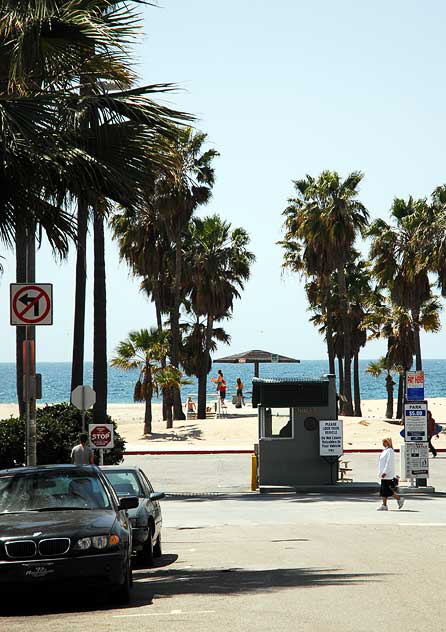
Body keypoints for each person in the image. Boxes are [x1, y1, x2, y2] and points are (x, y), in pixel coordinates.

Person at [377, 437, 404, 511]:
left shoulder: (390, 451)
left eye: (385, 442)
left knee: (386, 490)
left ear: (388, 442)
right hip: (383, 474)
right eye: (383, 442)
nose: (383, 443)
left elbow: (389, 463)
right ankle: (384, 505)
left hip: (387, 474)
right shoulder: (385, 451)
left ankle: (399, 498)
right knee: (383, 490)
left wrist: (385, 472)